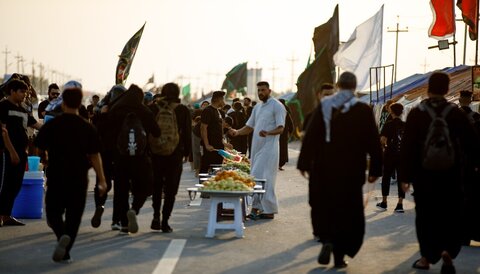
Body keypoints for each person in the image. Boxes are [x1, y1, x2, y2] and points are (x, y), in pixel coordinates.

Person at [297, 72, 382, 268]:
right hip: (352, 170)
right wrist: (376, 168)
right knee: (348, 211)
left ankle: (327, 239)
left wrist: (303, 163)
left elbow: (311, 136)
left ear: (337, 85)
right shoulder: (362, 109)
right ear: (354, 87)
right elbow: (373, 141)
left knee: (327, 207)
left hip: (325, 168)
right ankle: (339, 255)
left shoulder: (324, 106)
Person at [400, 72, 480, 273]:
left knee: (426, 215)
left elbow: (407, 147)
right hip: (452, 175)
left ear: (428, 88)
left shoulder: (417, 112)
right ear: (446, 89)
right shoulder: (455, 113)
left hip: (424, 175)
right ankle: (447, 253)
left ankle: (426, 257)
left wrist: (405, 176)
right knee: (450, 214)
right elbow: (472, 142)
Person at [34, 81, 107, 263]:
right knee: (74, 216)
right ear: (80, 103)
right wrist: (102, 180)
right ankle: (66, 245)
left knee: (53, 212)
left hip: (57, 174)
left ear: (63, 103)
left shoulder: (52, 125)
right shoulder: (87, 127)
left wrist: (44, 159)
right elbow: (95, 155)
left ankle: (61, 236)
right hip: (79, 178)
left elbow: (38, 149)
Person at [108, 84, 161, 234]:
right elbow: (157, 132)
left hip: (120, 157)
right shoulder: (144, 110)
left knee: (121, 191)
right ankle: (135, 208)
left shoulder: (116, 109)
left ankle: (124, 225)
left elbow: (107, 133)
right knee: (145, 186)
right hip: (141, 157)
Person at [230, 81, 286, 219]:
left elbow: (281, 128)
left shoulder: (277, 106)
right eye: (259, 90)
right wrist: (237, 132)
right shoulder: (258, 107)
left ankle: (263, 209)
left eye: (263, 90)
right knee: (258, 178)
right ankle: (262, 209)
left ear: (269, 91)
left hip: (269, 149)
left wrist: (268, 132)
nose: (261, 92)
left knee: (261, 178)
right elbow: (249, 127)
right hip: (256, 149)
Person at [149, 83, 191, 233]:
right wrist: (187, 153)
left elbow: (149, 130)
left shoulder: (154, 108)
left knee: (157, 186)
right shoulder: (183, 109)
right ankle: (165, 221)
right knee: (171, 189)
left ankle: (155, 217)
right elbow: (186, 132)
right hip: (175, 153)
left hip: (156, 153)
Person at [0, 78, 42, 226]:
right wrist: (11, 152)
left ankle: (6, 215)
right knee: (4, 184)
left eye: (25, 91)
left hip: (21, 152)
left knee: (15, 185)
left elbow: (36, 125)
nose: (24, 94)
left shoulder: (23, 109)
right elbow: (3, 131)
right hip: (7, 152)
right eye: (21, 91)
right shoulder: (4, 106)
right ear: (12, 91)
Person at [90, 84, 126, 230]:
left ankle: (100, 205)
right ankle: (116, 220)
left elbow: (95, 130)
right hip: (120, 152)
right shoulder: (125, 110)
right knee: (120, 187)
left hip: (103, 152)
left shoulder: (101, 109)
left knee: (102, 182)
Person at [376, 103, 406, 213]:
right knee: (401, 179)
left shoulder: (388, 124)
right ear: (402, 112)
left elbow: (383, 140)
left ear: (391, 112)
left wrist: (384, 146)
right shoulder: (405, 125)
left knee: (386, 177)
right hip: (402, 155)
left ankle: (384, 202)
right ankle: (400, 204)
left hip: (390, 154)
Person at [200, 91, 231, 173]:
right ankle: (202, 184)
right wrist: (206, 145)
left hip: (218, 147)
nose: (224, 101)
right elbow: (203, 128)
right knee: (205, 168)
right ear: (219, 100)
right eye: (223, 99)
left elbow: (219, 129)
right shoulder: (208, 111)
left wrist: (224, 143)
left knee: (216, 169)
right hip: (210, 147)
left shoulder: (218, 111)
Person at [278, 99, 294, 170]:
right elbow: (290, 123)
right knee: (283, 148)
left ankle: (275, 163)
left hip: (275, 132)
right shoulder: (286, 110)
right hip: (284, 133)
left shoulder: (276, 110)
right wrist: (290, 131)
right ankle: (281, 164)